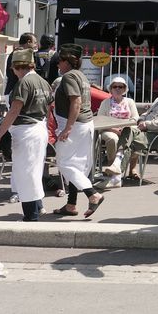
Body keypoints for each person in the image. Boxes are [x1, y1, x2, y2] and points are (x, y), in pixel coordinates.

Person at [0, 48, 51, 222]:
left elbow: (14, 111)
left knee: (24, 174)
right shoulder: (43, 82)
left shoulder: (23, 83)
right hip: (40, 128)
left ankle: (31, 215)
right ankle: (38, 207)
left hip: (25, 131)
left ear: (16, 67)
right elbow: (49, 108)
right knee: (34, 171)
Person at [52, 44, 104, 219]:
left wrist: (67, 128)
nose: (57, 64)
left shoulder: (68, 77)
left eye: (60, 61)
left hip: (74, 124)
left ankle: (92, 194)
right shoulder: (81, 76)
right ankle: (71, 204)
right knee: (78, 165)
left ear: (67, 62)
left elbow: (76, 102)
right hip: (85, 124)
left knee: (64, 163)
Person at [96, 76, 140, 188]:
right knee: (113, 139)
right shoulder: (105, 103)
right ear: (110, 89)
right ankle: (112, 165)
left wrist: (124, 128)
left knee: (133, 137)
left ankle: (132, 168)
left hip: (126, 129)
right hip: (108, 129)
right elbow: (100, 121)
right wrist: (114, 129)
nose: (117, 89)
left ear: (125, 89)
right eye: (115, 86)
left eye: (120, 86)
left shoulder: (130, 102)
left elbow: (135, 118)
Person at [4, 33, 37, 97]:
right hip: (16, 92)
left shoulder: (15, 53)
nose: (36, 45)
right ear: (29, 42)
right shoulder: (19, 55)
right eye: (35, 42)